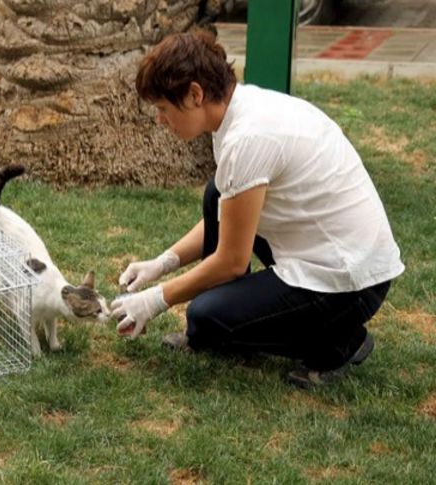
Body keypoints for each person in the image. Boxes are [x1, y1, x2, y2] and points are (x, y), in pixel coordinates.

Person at [110, 30, 404, 388]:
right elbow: (229, 213)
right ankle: (246, 318)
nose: (160, 120)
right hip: (330, 252)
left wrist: (155, 300)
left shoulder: (247, 139)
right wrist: (163, 262)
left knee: (206, 317)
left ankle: (339, 341)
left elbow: (232, 261)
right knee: (216, 193)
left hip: (350, 282)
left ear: (195, 94)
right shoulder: (241, 112)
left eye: (163, 108)